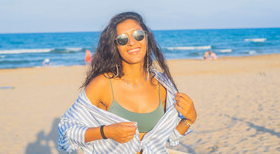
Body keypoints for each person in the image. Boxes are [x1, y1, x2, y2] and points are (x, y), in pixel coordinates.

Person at [58, 12, 197, 154]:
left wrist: (190, 118)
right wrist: (105, 132)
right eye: (123, 39)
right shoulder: (103, 84)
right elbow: (66, 130)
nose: (132, 42)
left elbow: (168, 138)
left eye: (138, 35)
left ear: (146, 38)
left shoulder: (163, 83)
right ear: (115, 46)